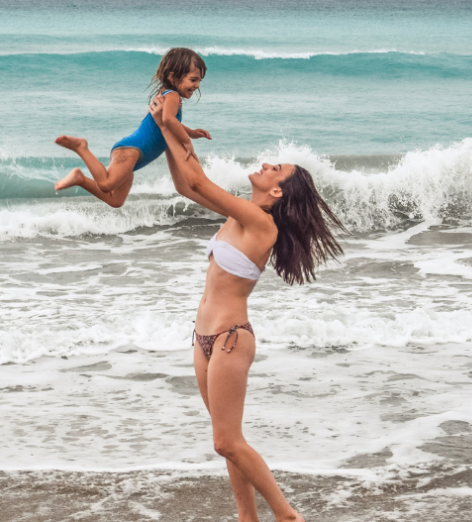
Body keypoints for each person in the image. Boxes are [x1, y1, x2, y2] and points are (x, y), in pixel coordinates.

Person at [149, 94, 346, 522]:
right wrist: (166, 132)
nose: (266, 164)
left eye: (275, 169)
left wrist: (169, 123)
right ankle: (247, 517)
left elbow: (199, 182)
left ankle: (287, 515)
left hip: (230, 339)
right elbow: (187, 184)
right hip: (204, 339)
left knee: (226, 441)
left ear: (276, 192)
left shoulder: (261, 223)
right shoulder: (239, 215)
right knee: (226, 438)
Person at [53, 47, 212, 208]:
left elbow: (168, 122)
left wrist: (190, 132)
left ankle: (80, 178)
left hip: (134, 154)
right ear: (173, 76)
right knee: (106, 184)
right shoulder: (172, 95)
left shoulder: (166, 95)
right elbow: (169, 120)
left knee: (115, 200)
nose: (197, 85)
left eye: (199, 80)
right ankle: (81, 147)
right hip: (132, 150)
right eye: (193, 80)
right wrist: (187, 142)